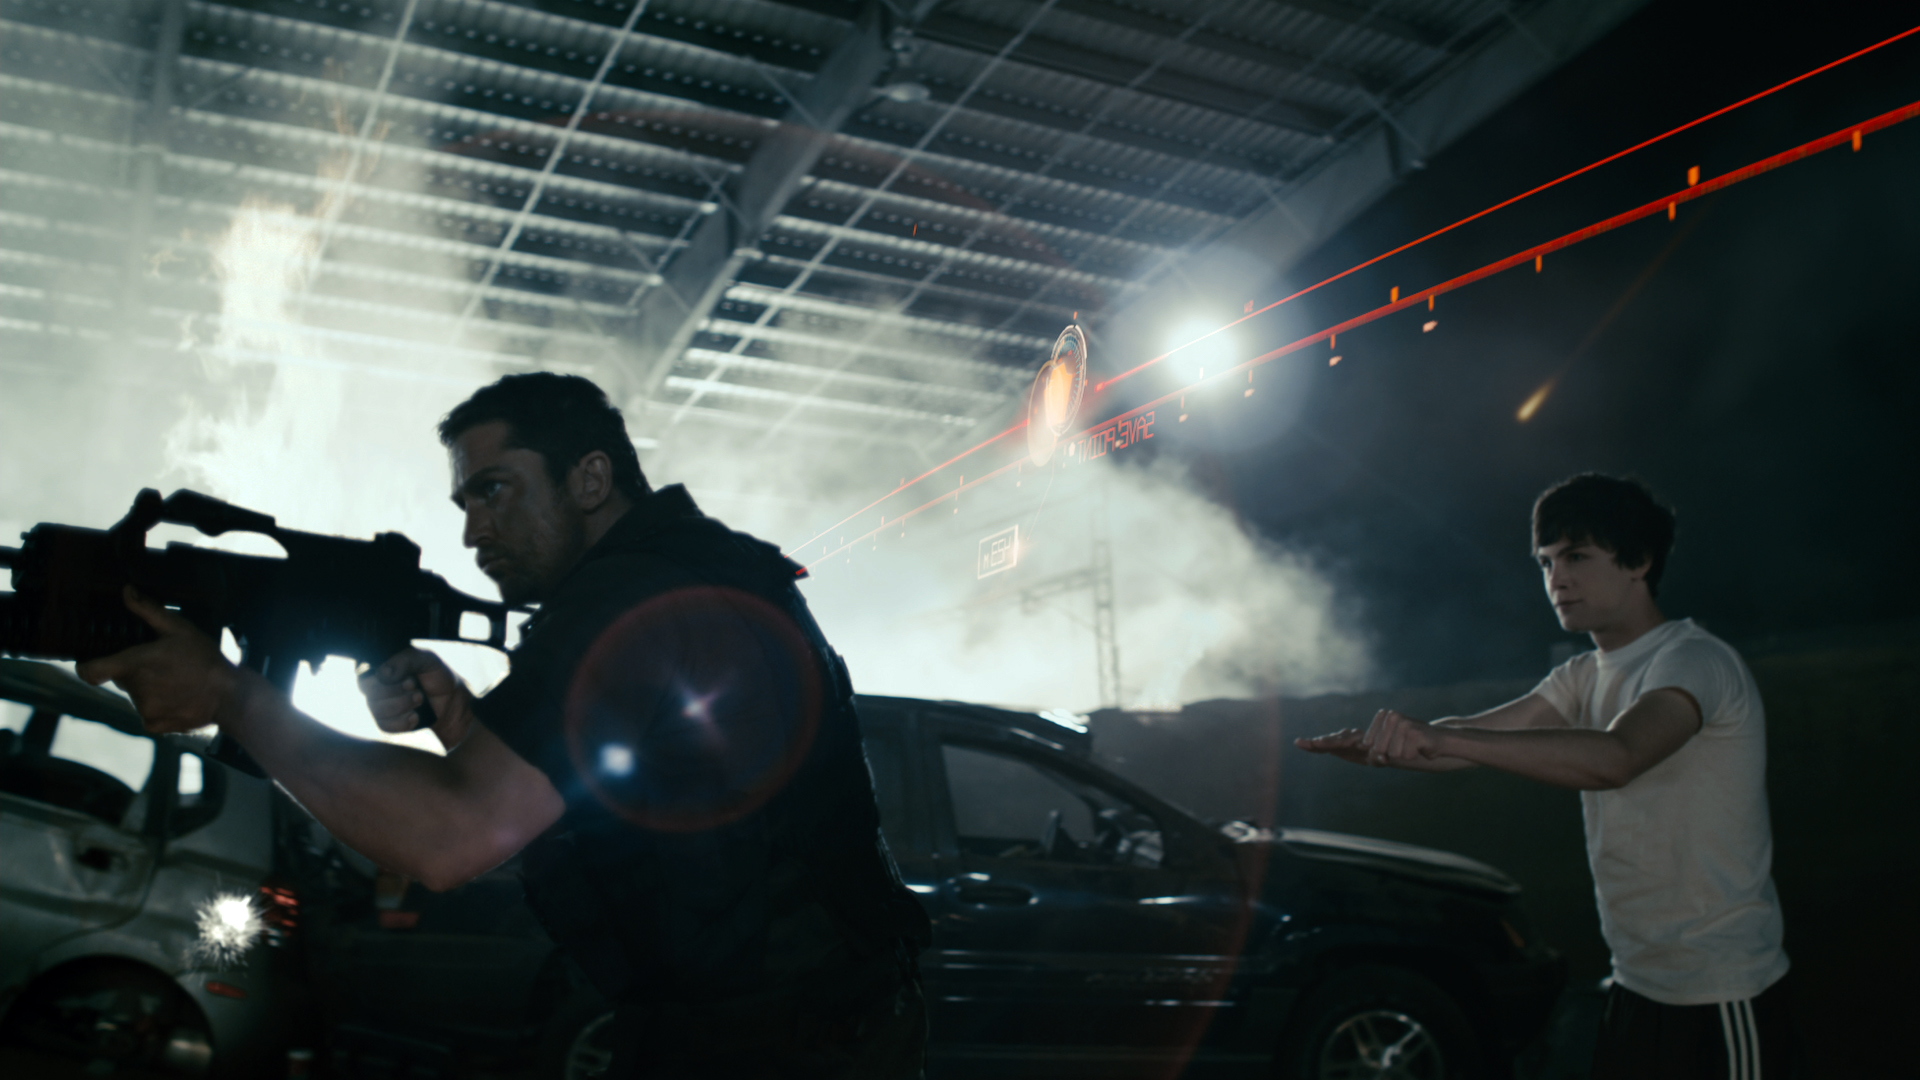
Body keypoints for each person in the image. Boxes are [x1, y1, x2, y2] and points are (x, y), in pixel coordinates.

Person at [79, 372, 931, 1078]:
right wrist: (466, 728)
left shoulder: (628, 601)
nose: (471, 530)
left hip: (771, 1042)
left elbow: (452, 839)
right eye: (463, 501)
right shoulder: (701, 568)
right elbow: (625, 792)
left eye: (493, 490)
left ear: (589, 480)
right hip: (811, 1022)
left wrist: (234, 698)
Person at [1296, 473, 1790, 1080]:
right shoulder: (1582, 675)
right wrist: (1389, 748)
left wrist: (1443, 738)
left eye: (1576, 556)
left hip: (1722, 991)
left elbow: (1617, 757)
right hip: (1637, 984)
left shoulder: (1694, 660)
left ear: (1639, 560)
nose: (1557, 578)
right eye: (1546, 562)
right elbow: (1469, 741)